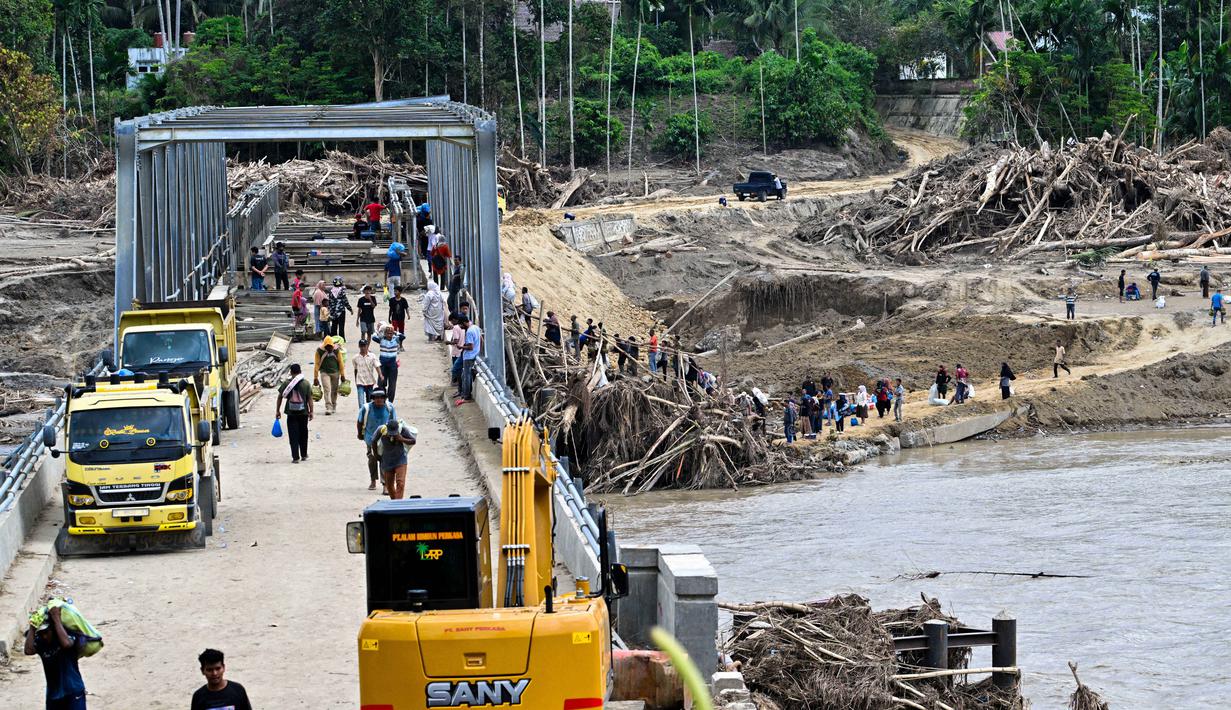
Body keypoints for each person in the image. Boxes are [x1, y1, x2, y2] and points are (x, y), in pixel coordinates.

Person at [24, 603, 87, 710]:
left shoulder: (67, 636)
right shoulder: (41, 642)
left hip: (73, 691)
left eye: (46, 632)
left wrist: (56, 619)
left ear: (52, 629)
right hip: (53, 694)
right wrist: (32, 627)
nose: (44, 636)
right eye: (41, 633)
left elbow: (67, 644)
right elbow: (28, 650)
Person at [358, 389, 398, 491]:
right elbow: (360, 422)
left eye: (381, 397)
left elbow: (394, 422)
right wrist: (360, 434)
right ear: (373, 399)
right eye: (377, 398)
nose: (379, 400)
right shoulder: (366, 408)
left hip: (385, 438)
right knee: (372, 459)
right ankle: (373, 480)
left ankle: (385, 484)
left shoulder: (389, 408)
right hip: (370, 438)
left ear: (385, 398)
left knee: (384, 460)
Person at [275, 363, 314, 462]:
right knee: (303, 434)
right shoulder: (306, 383)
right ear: (300, 372)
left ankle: (295, 457)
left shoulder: (287, 383)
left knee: (293, 435)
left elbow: (280, 397)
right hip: (303, 413)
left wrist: (278, 410)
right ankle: (304, 455)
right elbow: (309, 398)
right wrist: (311, 411)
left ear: (291, 372)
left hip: (291, 413)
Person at [377, 419, 417, 500]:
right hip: (387, 461)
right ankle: (394, 502)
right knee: (389, 485)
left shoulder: (403, 430)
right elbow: (374, 441)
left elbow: (413, 440)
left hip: (401, 460)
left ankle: (398, 503)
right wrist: (376, 455)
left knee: (400, 483)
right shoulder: (381, 430)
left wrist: (401, 439)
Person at [313, 336, 347, 415]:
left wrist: (342, 375)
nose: (329, 349)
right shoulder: (319, 351)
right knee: (327, 389)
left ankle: (334, 405)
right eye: (327, 347)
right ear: (325, 346)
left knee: (334, 390)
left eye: (331, 347)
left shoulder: (336, 351)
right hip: (324, 373)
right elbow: (317, 364)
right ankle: (328, 407)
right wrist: (315, 377)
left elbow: (340, 363)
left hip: (335, 372)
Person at [456, 314, 482, 402]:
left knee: (466, 376)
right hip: (475, 355)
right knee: (465, 375)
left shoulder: (469, 332)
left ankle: (466, 395)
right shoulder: (475, 327)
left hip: (469, 357)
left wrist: (461, 347)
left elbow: (470, 347)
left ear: (464, 323)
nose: (460, 327)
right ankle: (465, 393)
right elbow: (480, 340)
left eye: (460, 325)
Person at [376, 325, 403, 402]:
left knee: (392, 385)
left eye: (391, 333)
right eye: (388, 333)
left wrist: (395, 332)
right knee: (381, 384)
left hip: (392, 366)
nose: (389, 335)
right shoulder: (381, 340)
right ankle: (383, 398)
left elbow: (403, 336)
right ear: (385, 334)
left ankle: (390, 401)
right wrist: (381, 330)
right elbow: (374, 337)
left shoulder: (396, 340)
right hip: (382, 366)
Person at [353, 339, 381, 407]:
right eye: (361, 346)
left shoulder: (372, 356)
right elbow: (356, 369)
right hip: (360, 382)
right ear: (359, 346)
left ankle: (369, 416)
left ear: (367, 346)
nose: (363, 348)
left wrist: (380, 375)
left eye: (364, 346)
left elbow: (377, 366)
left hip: (370, 381)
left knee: (370, 402)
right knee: (361, 402)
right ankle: (362, 416)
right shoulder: (355, 358)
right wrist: (356, 380)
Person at [447, 314, 465, 384]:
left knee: (455, 368)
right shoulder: (464, 328)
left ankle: (455, 382)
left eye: (451, 322)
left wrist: (448, 342)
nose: (451, 323)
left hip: (456, 351)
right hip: (462, 351)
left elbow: (456, 341)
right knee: (459, 368)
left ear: (454, 320)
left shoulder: (456, 328)